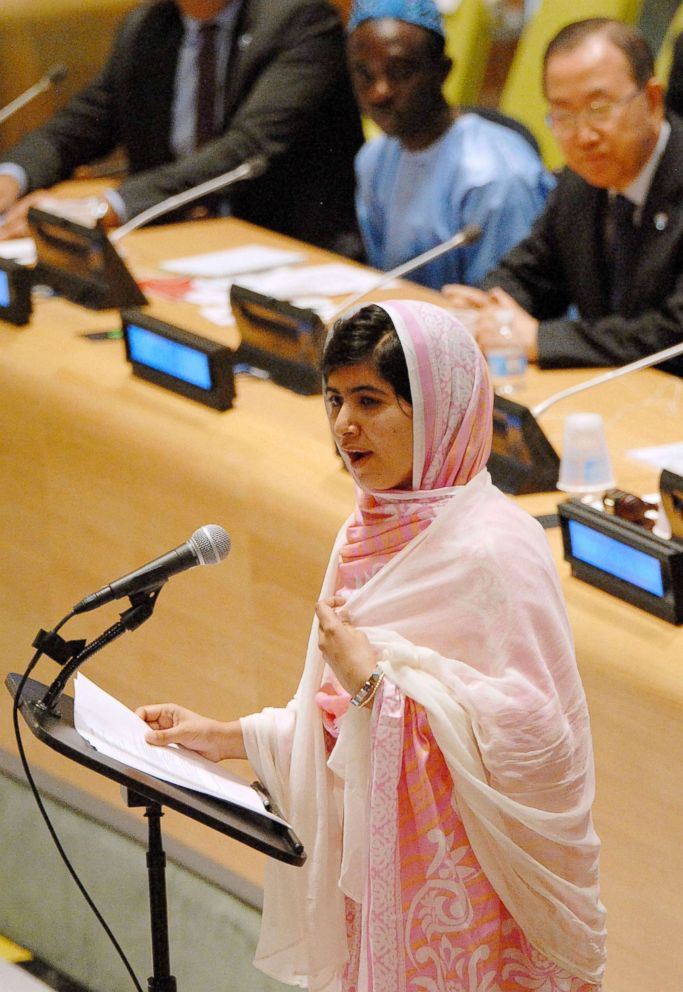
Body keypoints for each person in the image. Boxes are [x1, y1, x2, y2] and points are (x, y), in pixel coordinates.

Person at [137, 299, 607, 990]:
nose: (343, 426)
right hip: (383, 876)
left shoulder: (494, 549)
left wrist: (376, 686)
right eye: (332, 399)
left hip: (471, 897)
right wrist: (227, 736)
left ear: (440, 409)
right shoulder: (367, 529)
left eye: (370, 400)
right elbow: (348, 720)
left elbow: (540, 743)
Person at [0, 0, 363, 254]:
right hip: (172, 245)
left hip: (281, 252)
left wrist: (103, 207)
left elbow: (244, 150)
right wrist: (11, 179)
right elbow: (75, 128)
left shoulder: (301, 21)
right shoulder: (146, 28)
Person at [443, 17, 683, 376]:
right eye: (563, 115)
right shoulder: (578, 182)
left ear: (652, 100)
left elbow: (675, 333)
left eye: (599, 109)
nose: (583, 135)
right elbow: (529, 272)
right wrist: (493, 309)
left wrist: (542, 339)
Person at [346, 0, 554, 290]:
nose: (379, 92)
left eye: (401, 72)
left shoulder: (497, 177)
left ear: (442, 70)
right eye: (364, 74)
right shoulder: (373, 159)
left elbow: (508, 302)